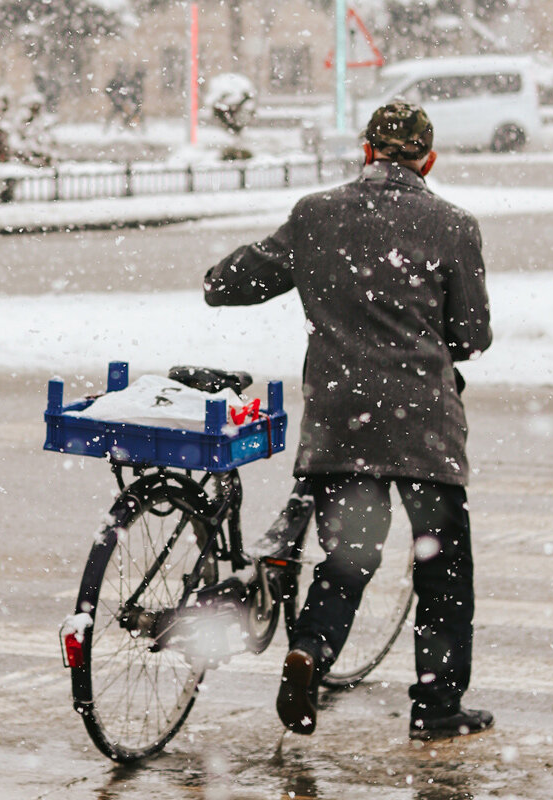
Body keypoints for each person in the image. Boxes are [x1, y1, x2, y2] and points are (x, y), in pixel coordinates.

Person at [202, 101, 493, 742]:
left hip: (342, 418)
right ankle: (437, 708)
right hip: (424, 424)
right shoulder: (453, 225)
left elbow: (233, 283)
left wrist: (219, 277)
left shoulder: (316, 214)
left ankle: (310, 650)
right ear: (429, 158)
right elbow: (472, 336)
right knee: (442, 569)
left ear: (366, 152)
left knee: (347, 558)